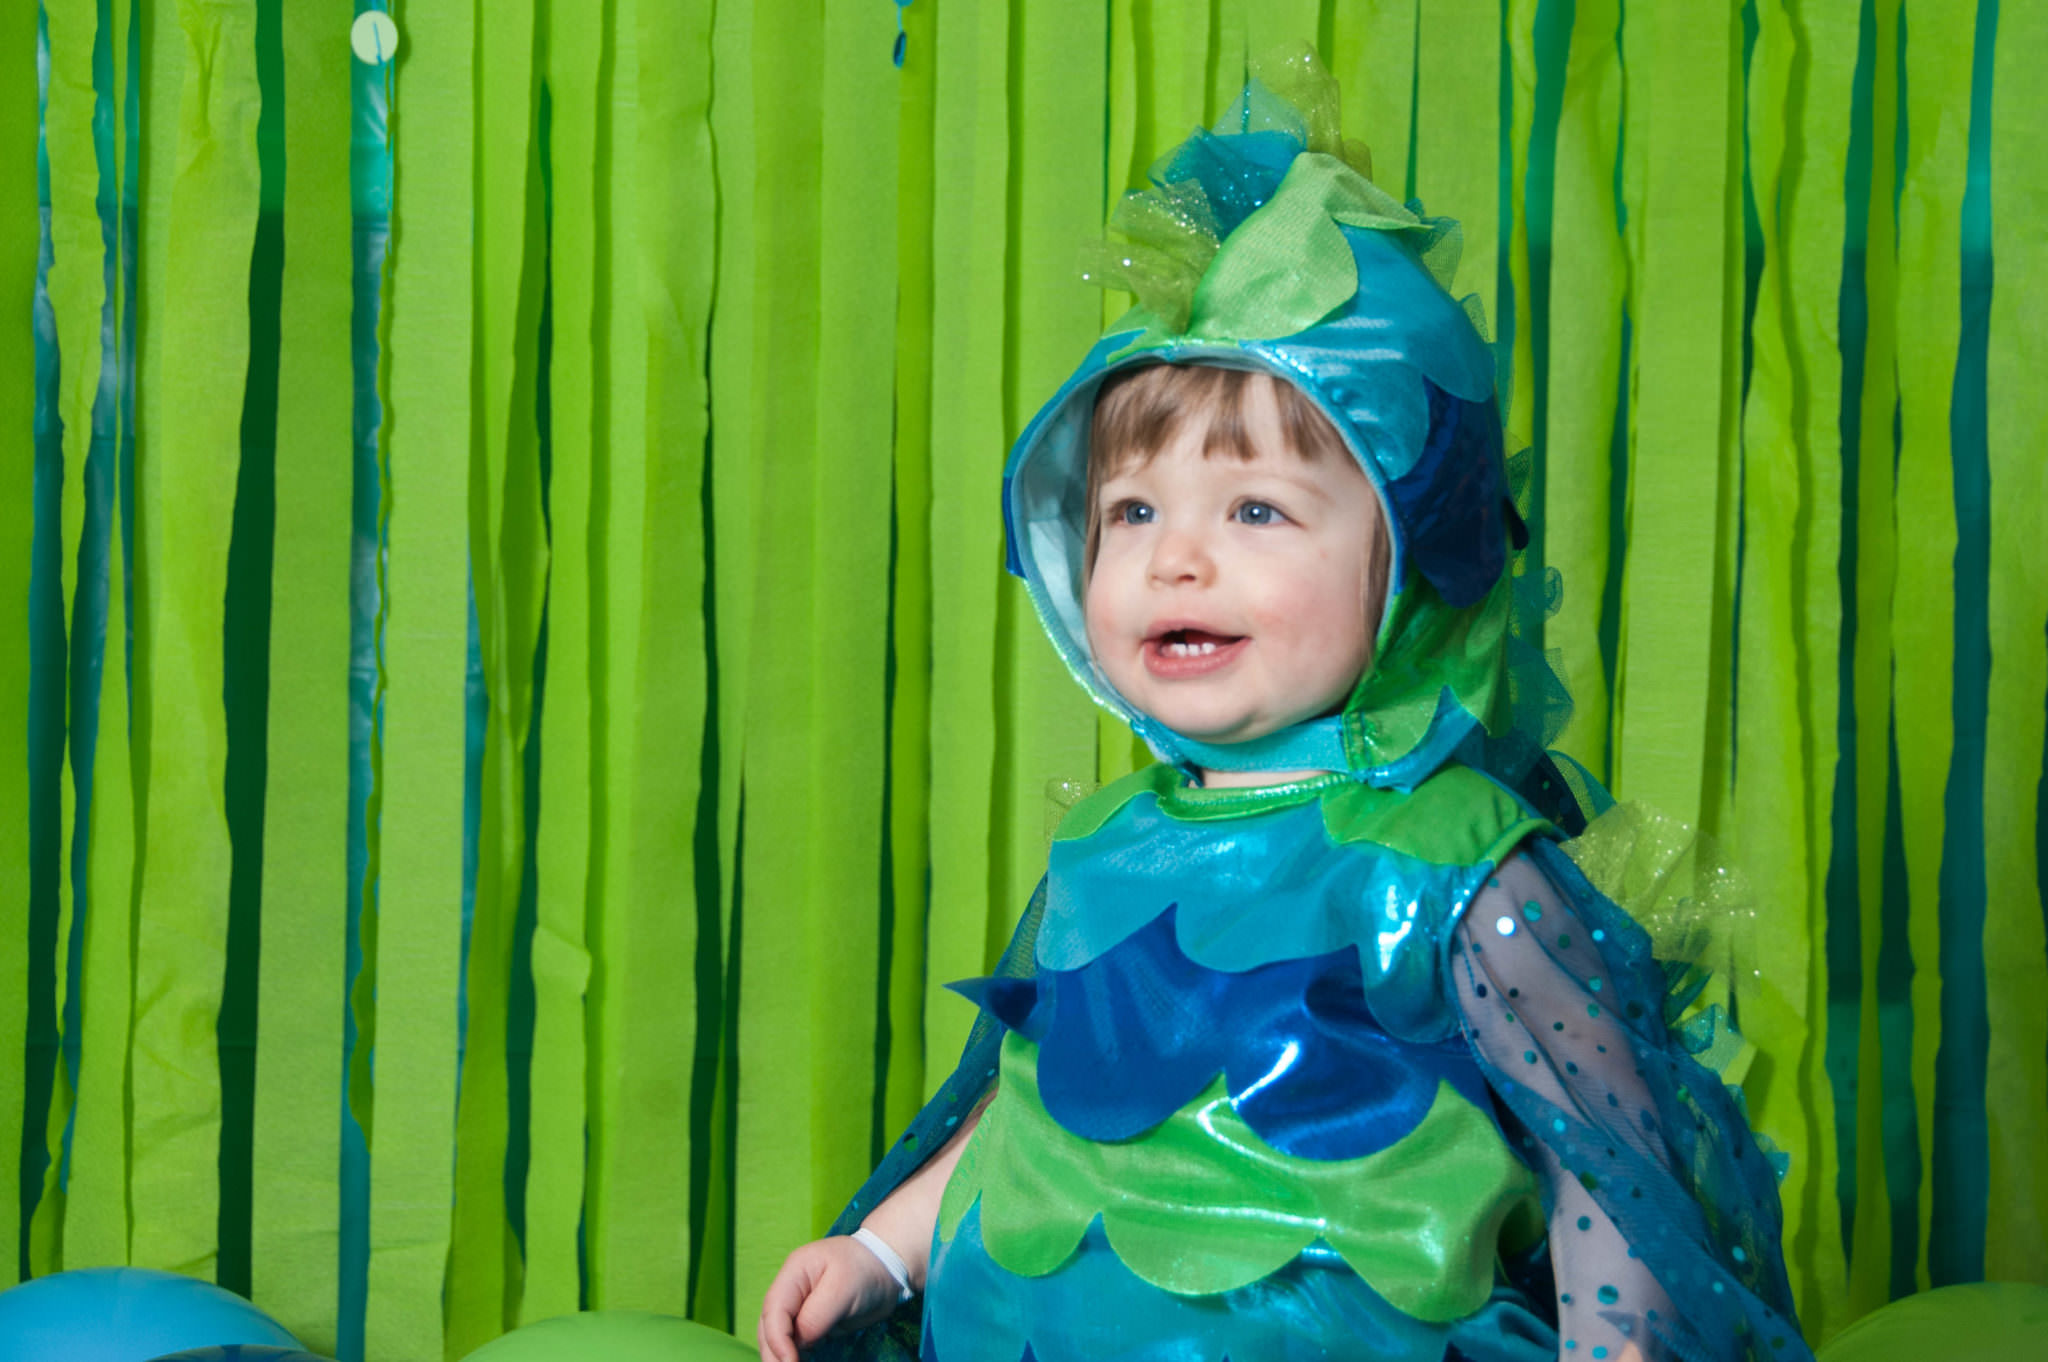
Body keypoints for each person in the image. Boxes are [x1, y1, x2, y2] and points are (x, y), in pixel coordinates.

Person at [759, 50, 1810, 1362]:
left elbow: (1606, 1155)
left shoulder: (1460, 860)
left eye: (1255, 510)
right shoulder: (1109, 842)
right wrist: (877, 1246)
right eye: (1132, 510)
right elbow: (1035, 1098)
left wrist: (1618, 1348)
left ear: (1415, 569)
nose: (1173, 558)